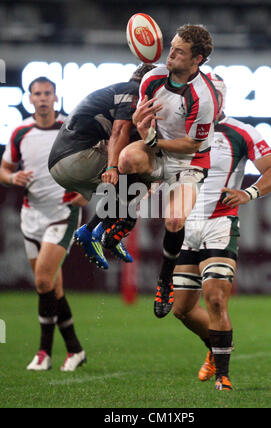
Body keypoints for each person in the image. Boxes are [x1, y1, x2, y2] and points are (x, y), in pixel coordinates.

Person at [171, 74, 271, 391]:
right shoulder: (179, 131)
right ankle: (216, 346)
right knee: (181, 309)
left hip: (220, 224)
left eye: (214, 95)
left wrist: (248, 194)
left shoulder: (241, 132)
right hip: (186, 227)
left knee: (216, 300)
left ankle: (223, 375)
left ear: (221, 99)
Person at [113, 24, 218, 319]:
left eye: (179, 52)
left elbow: (191, 145)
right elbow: (142, 125)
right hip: (157, 150)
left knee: (173, 220)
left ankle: (164, 280)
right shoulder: (152, 78)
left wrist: (152, 140)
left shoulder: (204, 97)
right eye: (171, 47)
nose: (170, 54)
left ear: (197, 59)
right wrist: (139, 125)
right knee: (127, 159)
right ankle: (124, 218)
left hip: (190, 162)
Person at [0, 76, 87, 372]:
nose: (42, 98)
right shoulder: (20, 132)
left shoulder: (69, 129)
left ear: (55, 96)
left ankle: (43, 352)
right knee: (52, 287)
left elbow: (96, 161)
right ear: (29, 99)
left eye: (47, 93)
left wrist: (87, 191)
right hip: (31, 215)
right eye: (37, 94)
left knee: (41, 281)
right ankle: (75, 349)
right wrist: (13, 178)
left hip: (62, 213)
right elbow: (5, 168)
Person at [48, 64, 158, 269]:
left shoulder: (118, 92)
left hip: (65, 161)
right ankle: (98, 230)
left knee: (134, 175)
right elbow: (119, 132)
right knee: (139, 162)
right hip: (75, 157)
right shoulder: (133, 91)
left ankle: (102, 229)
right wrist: (112, 168)